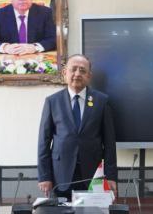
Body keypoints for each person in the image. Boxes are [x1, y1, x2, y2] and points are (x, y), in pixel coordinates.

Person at [37, 54, 117, 198]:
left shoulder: (102, 101)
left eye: (82, 70)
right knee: (61, 212)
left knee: (93, 212)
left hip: (93, 175)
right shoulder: (52, 102)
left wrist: (111, 176)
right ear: (65, 73)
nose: (77, 74)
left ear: (89, 76)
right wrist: (44, 176)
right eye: (73, 69)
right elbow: (44, 142)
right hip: (60, 175)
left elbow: (109, 143)